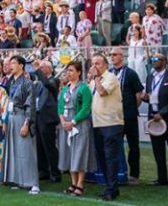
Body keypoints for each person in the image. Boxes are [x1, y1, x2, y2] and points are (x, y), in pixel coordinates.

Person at [2, 55, 40, 195]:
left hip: (22, 117)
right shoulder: (11, 81)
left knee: (26, 150)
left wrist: (26, 123)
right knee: (15, 151)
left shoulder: (27, 83)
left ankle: (33, 183)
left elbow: (30, 106)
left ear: (21, 66)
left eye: (13, 63)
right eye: (10, 63)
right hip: (12, 117)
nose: (10, 65)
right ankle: (18, 179)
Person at [58, 61, 96, 197]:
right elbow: (60, 106)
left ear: (79, 72)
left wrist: (73, 122)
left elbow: (86, 108)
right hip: (66, 125)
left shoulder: (84, 88)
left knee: (79, 153)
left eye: (71, 70)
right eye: (67, 70)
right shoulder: (65, 89)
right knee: (69, 153)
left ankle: (80, 183)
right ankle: (73, 182)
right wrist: (62, 120)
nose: (68, 73)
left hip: (79, 125)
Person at [90, 53, 124, 201]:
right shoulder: (93, 81)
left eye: (97, 63)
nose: (94, 66)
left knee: (110, 157)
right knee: (102, 157)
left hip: (111, 123)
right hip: (97, 123)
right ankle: (110, 187)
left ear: (105, 65)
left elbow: (102, 92)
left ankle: (111, 189)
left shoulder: (111, 77)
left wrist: (96, 78)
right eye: (93, 63)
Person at [110, 46, 144, 184]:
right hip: (114, 116)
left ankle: (134, 175)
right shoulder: (110, 73)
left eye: (114, 54)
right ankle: (118, 173)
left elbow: (138, 95)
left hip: (128, 115)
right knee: (115, 145)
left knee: (133, 145)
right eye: (110, 55)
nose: (111, 57)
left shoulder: (130, 73)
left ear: (121, 57)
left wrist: (130, 108)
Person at [33, 59, 61, 183]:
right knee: (39, 145)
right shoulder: (38, 82)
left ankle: (55, 171)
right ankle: (43, 170)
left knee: (49, 146)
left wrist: (38, 71)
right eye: (40, 67)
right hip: (39, 115)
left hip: (48, 117)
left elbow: (48, 84)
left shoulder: (54, 80)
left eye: (43, 67)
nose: (41, 69)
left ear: (50, 69)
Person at [143, 52, 168, 186]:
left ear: (164, 61)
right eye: (151, 59)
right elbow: (150, 96)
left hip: (167, 118)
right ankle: (162, 178)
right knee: (158, 150)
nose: (153, 61)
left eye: (156, 59)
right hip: (153, 119)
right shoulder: (149, 77)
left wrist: (163, 113)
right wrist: (145, 98)